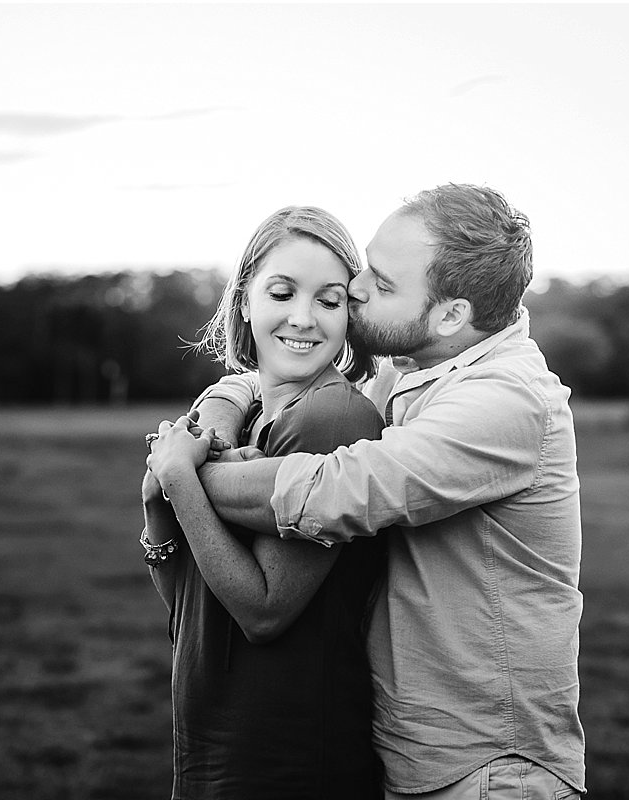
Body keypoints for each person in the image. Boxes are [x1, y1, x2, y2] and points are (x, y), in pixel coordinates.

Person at [175, 184, 587, 799]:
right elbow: (275, 380)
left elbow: (330, 491)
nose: (359, 287)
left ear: (452, 313)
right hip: (407, 755)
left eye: (384, 284)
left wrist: (182, 470)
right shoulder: (413, 365)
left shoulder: (504, 401)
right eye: (368, 263)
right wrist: (222, 410)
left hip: (491, 769)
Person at [141, 206, 387, 799]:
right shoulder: (247, 419)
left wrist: (181, 477)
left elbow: (263, 612)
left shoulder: (332, 416)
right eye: (282, 292)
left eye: (329, 300)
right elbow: (187, 608)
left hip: (289, 755)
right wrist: (156, 504)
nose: (303, 319)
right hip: (211, 742)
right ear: (244, 298)